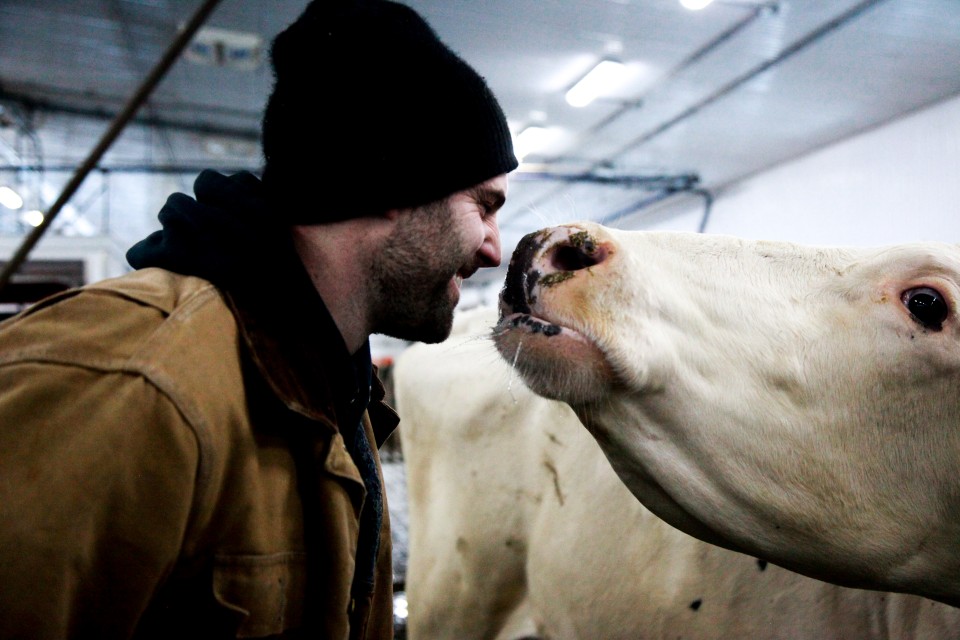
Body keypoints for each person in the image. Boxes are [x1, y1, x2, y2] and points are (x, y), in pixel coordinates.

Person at [0, 0, 517, 638]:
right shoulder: (135, 384)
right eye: (484, 205)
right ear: (394, 180)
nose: (494, 248)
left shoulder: (329, 391)